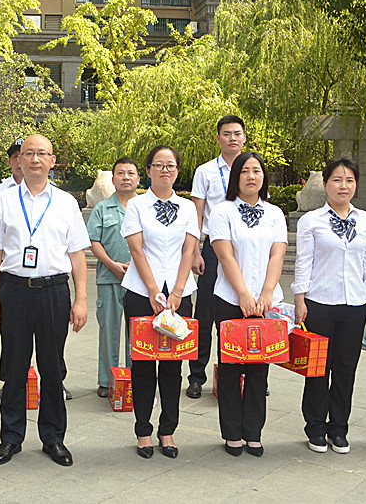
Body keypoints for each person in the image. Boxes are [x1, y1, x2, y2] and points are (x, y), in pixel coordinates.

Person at [0, 134, 90, 467]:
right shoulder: (2, 200)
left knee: (52, 368)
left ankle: (54, 438)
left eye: (42, 153)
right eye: (28, 153)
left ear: (52, 161)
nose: (35, 159)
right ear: (19, 160)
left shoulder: (66, 202)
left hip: (54, 292)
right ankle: (10, 438)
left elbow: (77, 254)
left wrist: (80, 299)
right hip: (13, 291)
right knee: (15, 368)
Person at [292, 158, 366, 454]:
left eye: (348, 180)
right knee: (318, 369)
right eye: (336, 180)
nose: (343, 185)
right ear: (325, 185)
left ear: (355, 185)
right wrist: (299, 298)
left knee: (346, 368)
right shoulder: (312, 220)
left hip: (354, 305)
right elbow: (303, 261)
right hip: (319, 303)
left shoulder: (365, 220)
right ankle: (316, 427)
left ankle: (339, 428)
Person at [121, 147, 199, 459]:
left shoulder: (189, 207)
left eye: (170, 166)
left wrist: (177, 292)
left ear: (178, 171)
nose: (164, 170)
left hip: (180, 297)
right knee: (141, 366)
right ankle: (143, 431)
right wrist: (154, 291)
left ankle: (168, 430)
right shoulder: (137, 205)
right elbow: (137, 250)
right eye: (158, 165)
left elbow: (189, 250)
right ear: (148, 170)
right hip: (142, 294)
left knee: (172, 366)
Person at [208, 151, 287, 457]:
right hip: (230, 300)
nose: (252, 176)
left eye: (257, 171)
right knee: (230, 368)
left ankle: (253, 432)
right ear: (235, 177)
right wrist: (242, 293)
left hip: (265, 302)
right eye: (245, 172)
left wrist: (267, 292)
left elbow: (277, 255)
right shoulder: (222, 212)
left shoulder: (275, 213)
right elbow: (225, 255)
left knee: (259, 369)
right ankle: (232, 433)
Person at [187, 115, 247, 399]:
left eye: (237, 133)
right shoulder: (206, 171)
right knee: (206, 311)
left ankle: (241, 371)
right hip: (212, 246)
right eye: (227, 134)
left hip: (245, 247)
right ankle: (197, 375)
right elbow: (197, 213)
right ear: (219, 138)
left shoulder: (252, 170)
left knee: (242, 309)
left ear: (244, 137)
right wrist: (197, 250)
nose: (232, 138)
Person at [87, 157, 139, 398]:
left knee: (136, 332)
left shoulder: (145, 207)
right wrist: (113, 264)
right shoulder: (102, 208)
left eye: (130, 173)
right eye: (120, 173)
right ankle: (106, 379)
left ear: (139, 178)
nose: (126, 177)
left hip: (140, 281)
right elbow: (93, 241)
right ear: (113, 179)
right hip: (109, 277)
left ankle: (134, 376)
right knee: (109, 330)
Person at [0, 138, 24, 401]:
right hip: (8, 273)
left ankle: (57, 379)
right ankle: (8, 379)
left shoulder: (55, 193)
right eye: (15, 157)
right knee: (9, 332)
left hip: (42, 275)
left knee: (50, 339)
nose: (20, 161)